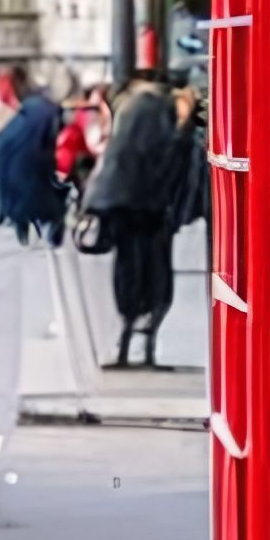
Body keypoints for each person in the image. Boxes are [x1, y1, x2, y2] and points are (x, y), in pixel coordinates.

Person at [89, 74, 186, 367]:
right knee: (153, 272)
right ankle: (144, 345)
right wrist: (182, 124)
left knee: (128, 268)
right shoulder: (156, 107)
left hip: (121, 203)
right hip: (145, 205)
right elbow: (165, 155)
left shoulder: (130, 106)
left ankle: (127, 344)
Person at [0, 74, 70, 245]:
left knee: (25, 199)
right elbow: (53, 142)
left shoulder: (21, 118)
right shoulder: (50, 112)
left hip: (15, 166)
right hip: (36, 163)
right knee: (49, 200)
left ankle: (23, 226)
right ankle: (53, 227)